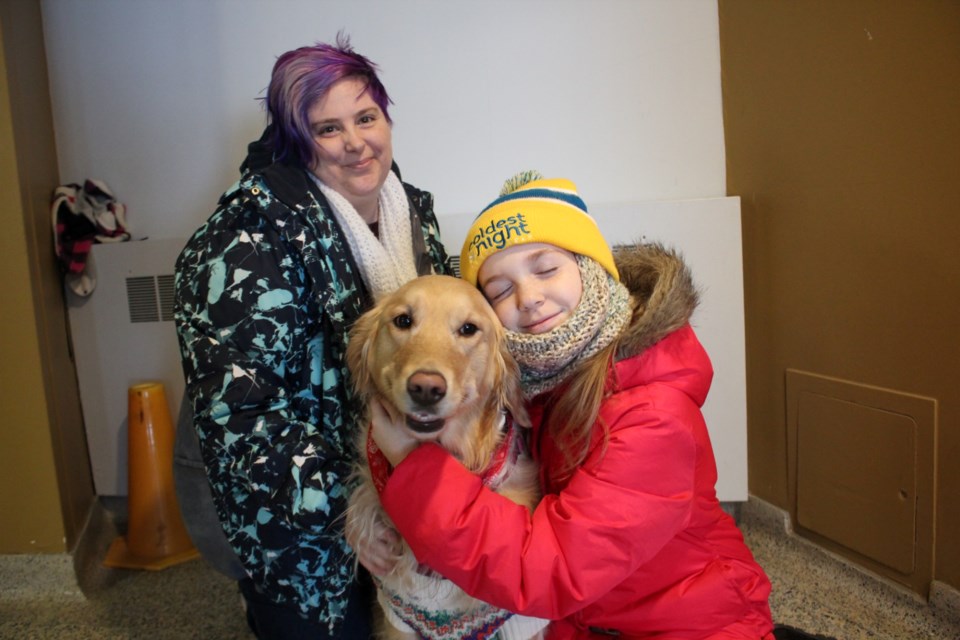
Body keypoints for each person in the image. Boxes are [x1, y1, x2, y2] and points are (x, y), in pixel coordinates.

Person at [364, 173, 776, 638]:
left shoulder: (652, 414)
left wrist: (410, 466)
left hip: (689, 625)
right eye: (499, 289)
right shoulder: (534, 384)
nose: (529, 298)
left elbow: (550, 570)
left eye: (545, 269)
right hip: (583, 621)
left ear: (588, 267)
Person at [173, 34, 451, 639]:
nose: (356, 143)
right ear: (297, 142)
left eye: (366, 117)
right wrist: (358, 507)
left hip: (399, 500)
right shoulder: (246, 239)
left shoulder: (411, 212)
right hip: (305, 527)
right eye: (328, 129)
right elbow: (240, 418)